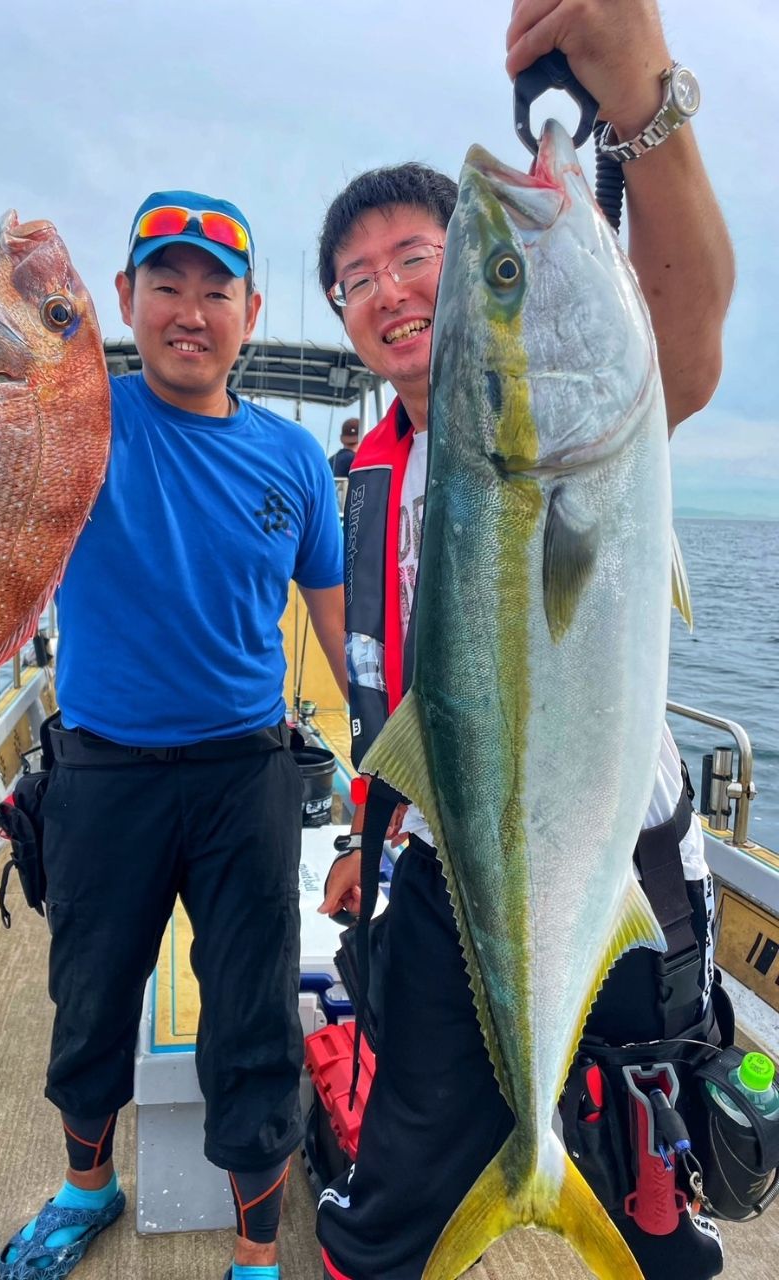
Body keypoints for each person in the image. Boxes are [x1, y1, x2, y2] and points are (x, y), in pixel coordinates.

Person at [314, 4, 736, 1278]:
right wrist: (365, 836)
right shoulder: (366, 471)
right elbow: (392, 695)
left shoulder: (586, 420)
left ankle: (598, 1189)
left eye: (423, 257)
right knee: (392, 1198)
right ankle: (513, 1175)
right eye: (356, 278)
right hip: (445, 873)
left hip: (623, 858)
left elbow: (687, 318)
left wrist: (641, 101)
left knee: (653, 1183)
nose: (390, 290)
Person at [0, 190, 347, 1280]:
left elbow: (345, 639)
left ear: (251, 311)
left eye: (215, 290)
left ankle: (255, 1254)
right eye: (166, 284)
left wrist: (397, 777)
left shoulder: (295, 460)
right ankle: (85, 1189)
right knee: (90, 1000)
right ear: (125, 297)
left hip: (246, 773)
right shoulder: (77, 417)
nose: (190, 311)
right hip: (102, 771)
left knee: (254, 1018)